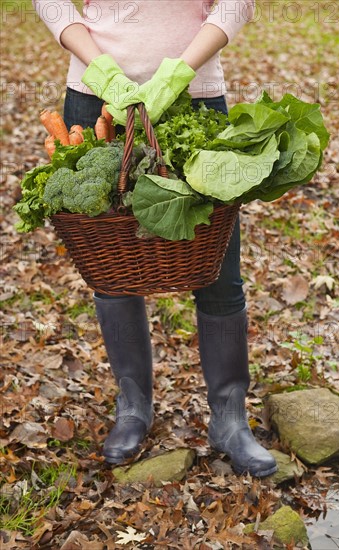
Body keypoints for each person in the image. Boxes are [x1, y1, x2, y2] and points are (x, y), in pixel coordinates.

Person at [33, 0, 277, 478]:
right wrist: (100, 69)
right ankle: (133, 408)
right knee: (113, 264)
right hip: (94, 95)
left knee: (219, 272)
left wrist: (180, 72)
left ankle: (229, 419)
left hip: (195, 93)